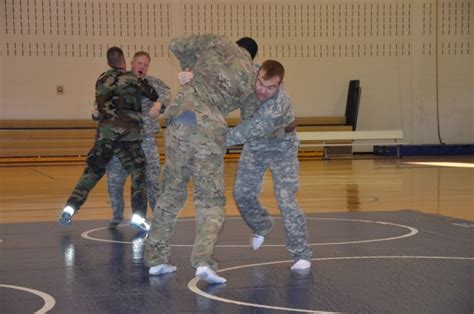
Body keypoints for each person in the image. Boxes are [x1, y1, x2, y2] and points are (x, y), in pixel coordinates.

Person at [144, 35, 258, 284]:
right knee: (210, 200)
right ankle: (203, 261)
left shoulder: (215, 42)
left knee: (170, 192)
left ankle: (156, 260)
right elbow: (250, 120)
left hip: (180, 120)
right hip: (209, 128)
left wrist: (188, 68)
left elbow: (174, 44)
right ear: (252, 56)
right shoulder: (250, 75)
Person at [58, 46, 159, 232]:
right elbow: (153, 94)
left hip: (105, 135)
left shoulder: (101, 79)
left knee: (92, 172)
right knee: (138, 174)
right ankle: (138, 216)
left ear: (108, 63)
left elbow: (97, 109)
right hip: (128, 136)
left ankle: (70, 208)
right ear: (125, 61)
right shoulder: (133, 79)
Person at [226, 59, 313, 271]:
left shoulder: (277, 104)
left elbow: (249, 129)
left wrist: (215, 141)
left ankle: (301, 253)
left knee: (286, 200)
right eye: (260, 84)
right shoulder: (250, 73)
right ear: (257, 75)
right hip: (256, 147)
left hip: (282, 148)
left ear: (280, 85)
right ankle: (262, 224)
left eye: (270, 87)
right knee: (241, 194)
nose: (263, 91)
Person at [104, 51, 170, 230]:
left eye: (146, 65)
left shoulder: (153, 83)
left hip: (145, 140)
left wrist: (158, 104)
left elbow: (167, 94)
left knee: (152, 181)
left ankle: (157, 218)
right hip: (122, 142)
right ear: (131, 63)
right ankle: (117, 214)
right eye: (140, 63)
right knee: (114, 181)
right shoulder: (117, 82)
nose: (142, 67)